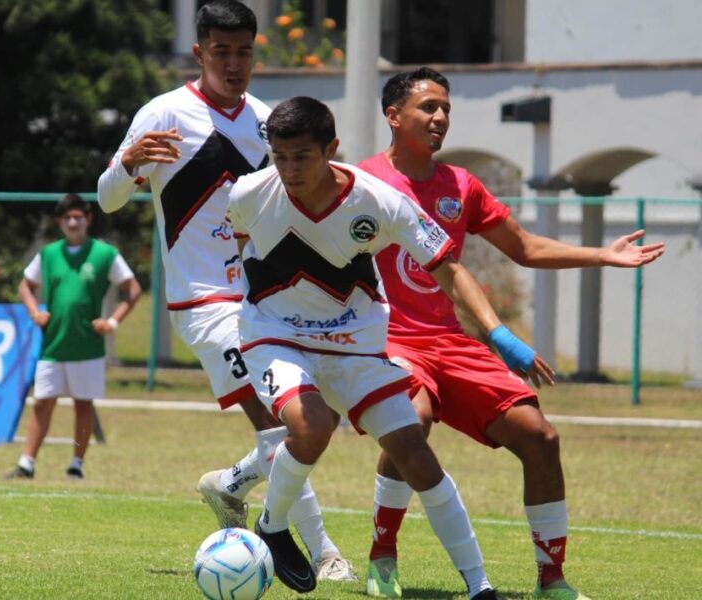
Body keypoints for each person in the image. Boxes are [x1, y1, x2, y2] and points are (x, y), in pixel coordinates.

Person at [357, 67, 666, 600]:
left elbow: (523, 246)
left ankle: (552, 580)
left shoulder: (460, 185)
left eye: (446, 109)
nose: (440, 118)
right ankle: (383, 555)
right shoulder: (361, 183)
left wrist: (602, 254)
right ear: (393, 116)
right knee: (414, 420)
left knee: (541, 438)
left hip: (451, 342)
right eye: (428, 107)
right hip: (390, 340)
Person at [227, 95, 532, 597]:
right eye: (279, 156)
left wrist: (495, 332)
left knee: (416, 453)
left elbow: (447, 269)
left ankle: (480, 586)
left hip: (356, 344)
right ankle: (273, 526)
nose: (288, 169)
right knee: (313, 424)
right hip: (274, 335)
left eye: (301, 156)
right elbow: (241, 249)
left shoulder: (380, 202)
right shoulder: (249, 194)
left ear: (332, 150)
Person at [96, 0, 357, 582]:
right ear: (199, 53)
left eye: (244, 52)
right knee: (281, 422)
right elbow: (107, 199)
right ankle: (321, 551)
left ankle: (231, 484)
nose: (234, 63)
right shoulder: (163, 115)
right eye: (222, 52)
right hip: (203, 301)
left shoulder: (269, 122)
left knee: (313, 416)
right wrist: (126, 165)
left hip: (268, 300)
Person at [4, 194, 141, 481]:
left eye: (78, 216)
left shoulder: (105, 254)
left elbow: (133, 289)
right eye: (67, 218)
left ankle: (76, 464)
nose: (73, 222)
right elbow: (25, 286)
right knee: (42, 402)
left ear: (88, 219)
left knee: (83, 403)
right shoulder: (48, 254)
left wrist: (112, 322)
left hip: (87, 345)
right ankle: (26, 463)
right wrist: (34, 312)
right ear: (59, 222)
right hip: (53, 343)